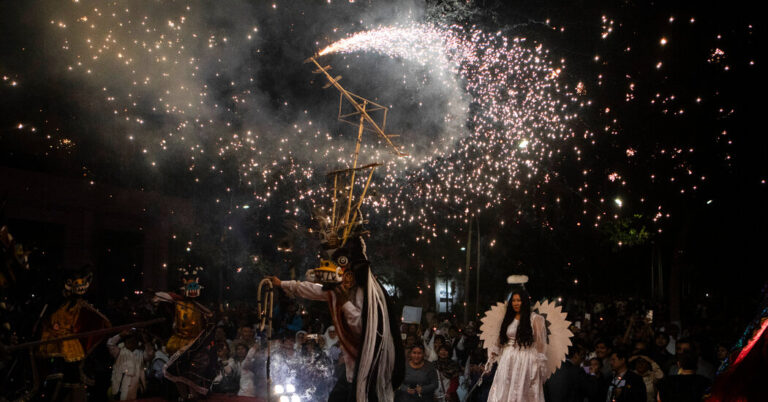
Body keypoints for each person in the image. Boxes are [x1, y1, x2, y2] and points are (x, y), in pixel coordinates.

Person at [487, 288, 548, 402]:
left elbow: (540, 345)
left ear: (524, 301)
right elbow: (500, 340)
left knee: (522, 393)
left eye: (518, 300)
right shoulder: (508, 318)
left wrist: (541, 367)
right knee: (503, 391)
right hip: (508, 359)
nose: (516, 303)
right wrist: (491, 359)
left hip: (526, 360)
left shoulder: (535, 319)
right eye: (513, 300)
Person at [107, 330, 153, 400]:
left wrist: (147, 342)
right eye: (129, 339)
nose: (131, 341)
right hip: (121, 391)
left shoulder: (141, 354)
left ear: (137, 342)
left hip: (138, 391)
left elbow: (150, 354)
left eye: (133, 340)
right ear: (125, 342)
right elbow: (110, 344)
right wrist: (120, 335)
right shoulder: (119, 352)